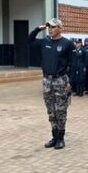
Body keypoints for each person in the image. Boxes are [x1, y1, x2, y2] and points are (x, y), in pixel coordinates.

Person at [28, 18, 75, 150]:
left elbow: (73, 64)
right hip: (47, 80)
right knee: (51, 110)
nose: (50, 29)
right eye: (49, 27)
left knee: (60, 110)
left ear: (60, 28)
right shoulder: (45, 42)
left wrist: (70, 82)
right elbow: (29, 41)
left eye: (53, 27)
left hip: (60, 80)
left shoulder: (67, 44)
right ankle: (54, 136)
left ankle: (61, 138)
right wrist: (38, 29)